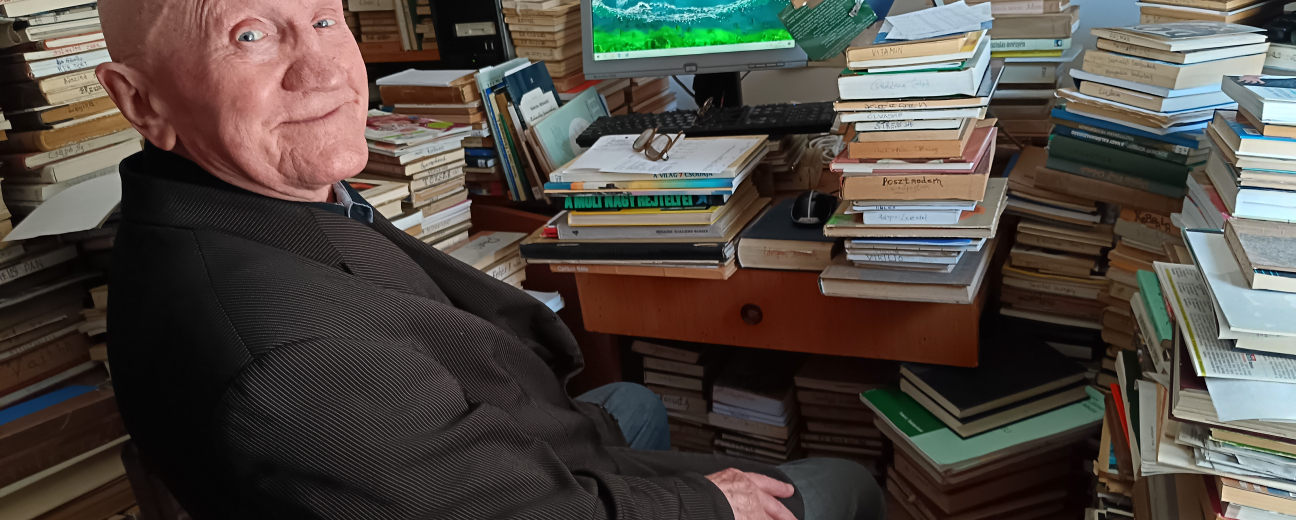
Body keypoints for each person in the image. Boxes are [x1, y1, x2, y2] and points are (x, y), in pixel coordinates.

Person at [96, 0, 885, 519]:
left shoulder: (226, 200)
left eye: (324, 19)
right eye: (249, 35)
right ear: (140, 101)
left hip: (481, 431)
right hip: (516, 488)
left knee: (632, 403)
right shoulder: (290, 362)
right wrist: (710, 505)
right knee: (841, 486)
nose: (326, 71)